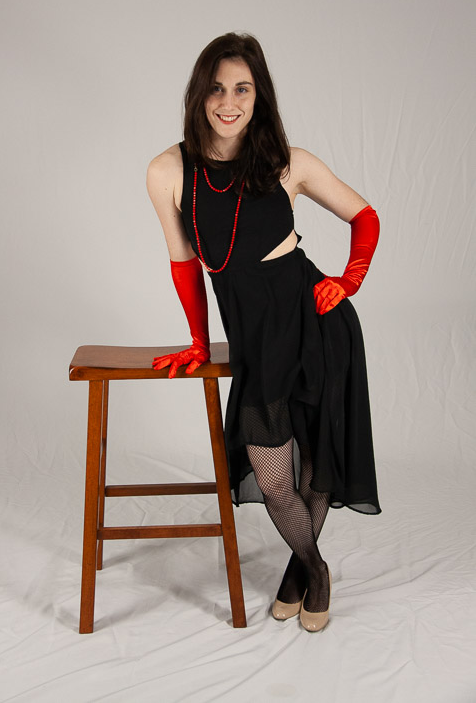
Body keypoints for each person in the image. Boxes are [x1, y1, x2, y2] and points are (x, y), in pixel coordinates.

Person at [146, 32, 381, 632]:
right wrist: (199, 343)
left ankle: (303, 577)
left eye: (243, 89)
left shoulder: (288, 162)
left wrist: (349, 280)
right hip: (257, 344)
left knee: (315, 465)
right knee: (274, 477)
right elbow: (183, 265)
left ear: (259, 96)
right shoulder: (168, 171)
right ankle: (317, 566)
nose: (229, 102)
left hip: (317, 326)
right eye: (217, 89)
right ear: (199, 94)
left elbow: (364, 215)